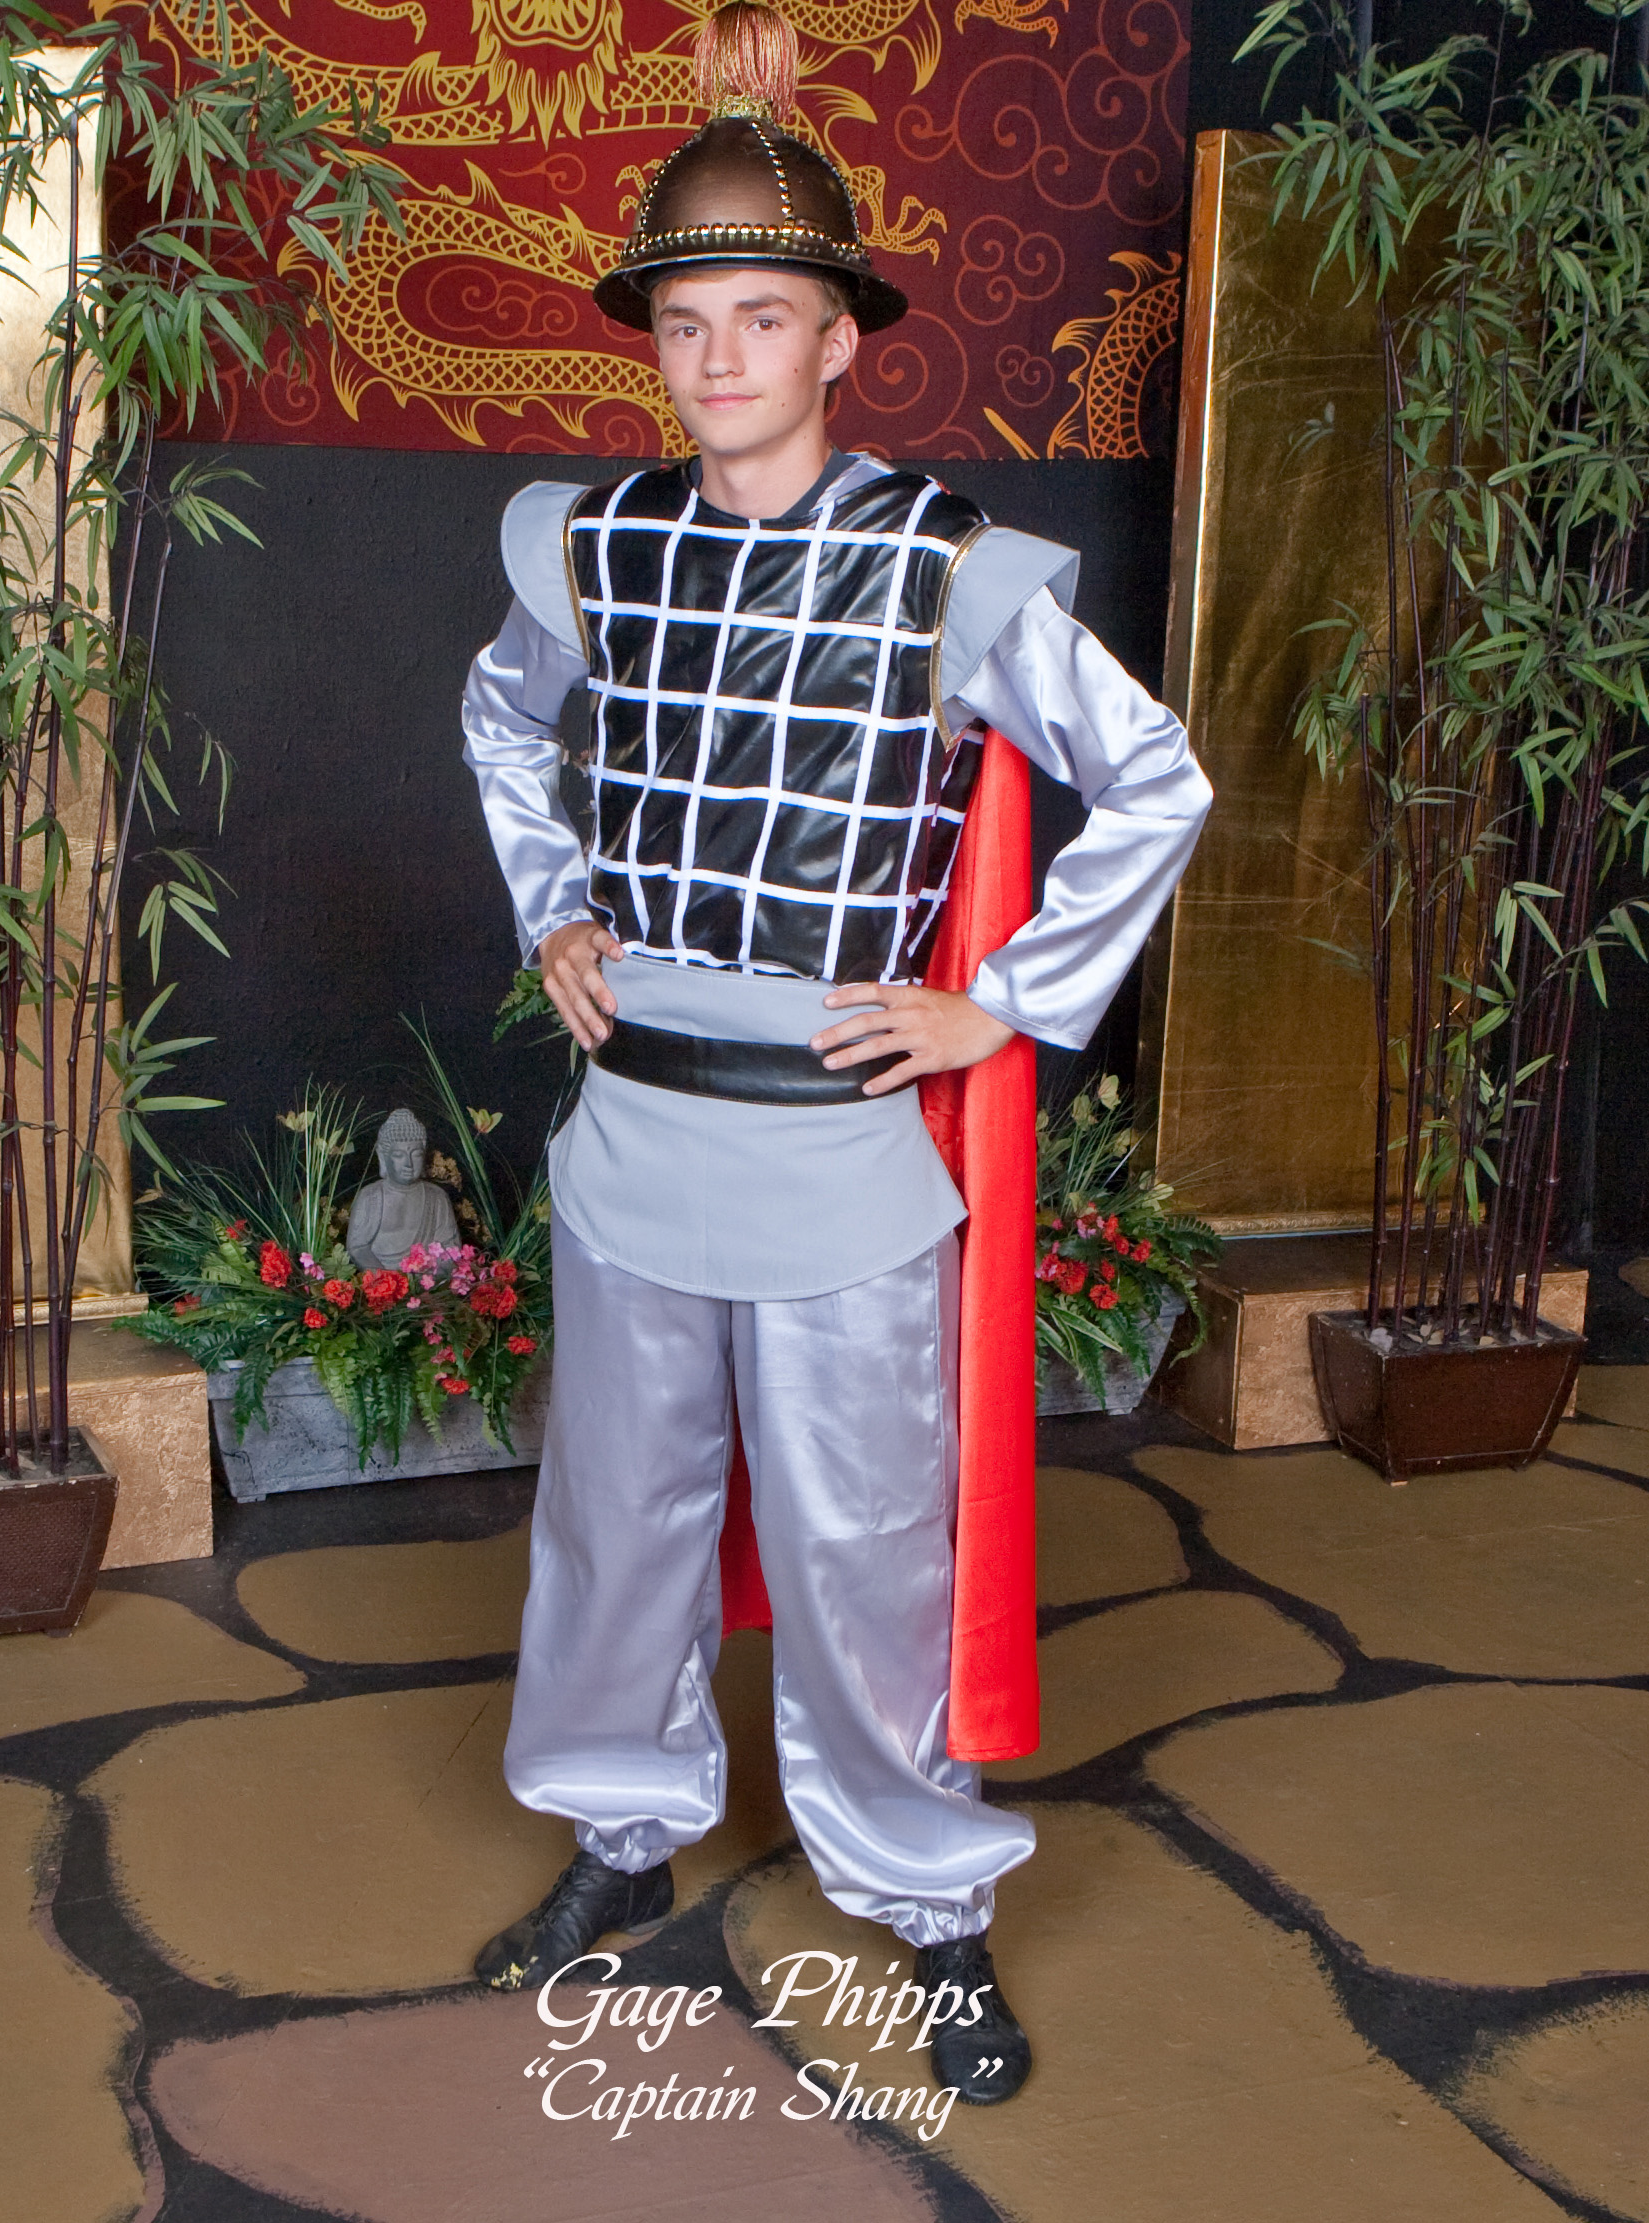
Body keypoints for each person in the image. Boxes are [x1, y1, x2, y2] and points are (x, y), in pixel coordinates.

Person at [459, 2, 1210, 2106]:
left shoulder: (942, 567)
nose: (718, 357)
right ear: (655, 340)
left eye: (761, 317)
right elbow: (504, 723)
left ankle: (924, 1897)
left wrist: (1008, 998)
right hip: (635, 1130)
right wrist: (553, 908)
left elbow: (1151, 775)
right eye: (685, 320)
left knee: (865, 1549)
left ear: (836, 338)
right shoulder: (592, 546)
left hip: (838, 1147)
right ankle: (618, 1824)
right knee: (614, 1522)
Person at [345, 1108, 459, 1272]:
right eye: (399, 1155)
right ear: (383, 1156)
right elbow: (357, 1248)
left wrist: (432, 1280)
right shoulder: (370, 1197)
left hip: (427, 1281)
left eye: (416, 1154)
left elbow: (450, 1248)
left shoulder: (437, 1198)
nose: (408, 1164)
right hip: (382, 1280)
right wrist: (385, 1279)